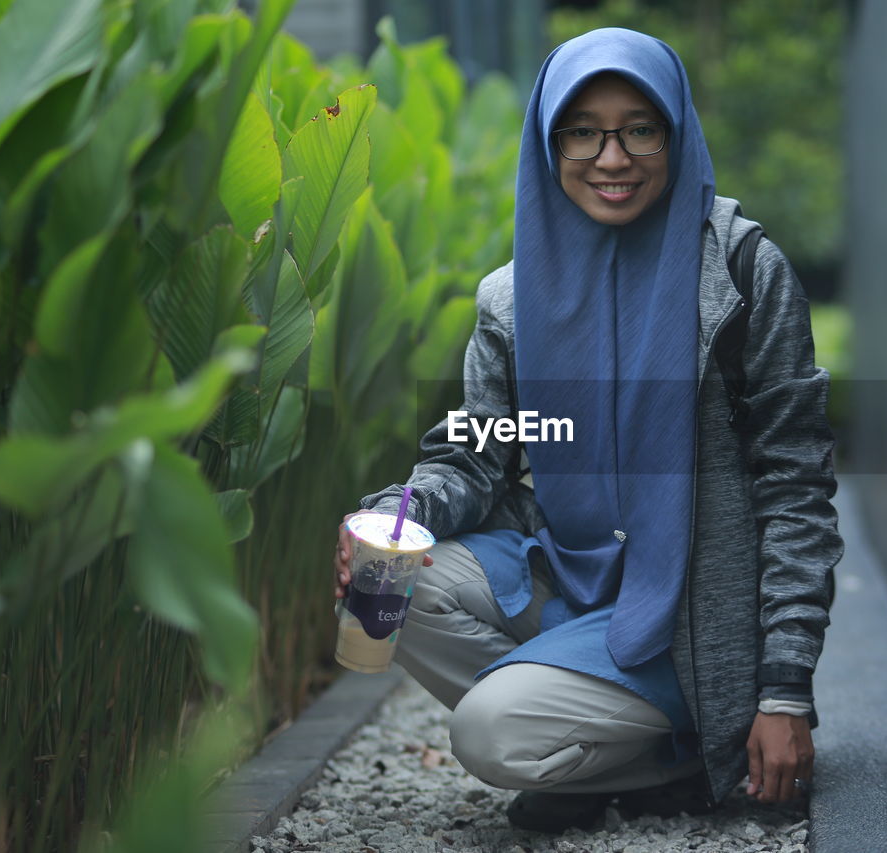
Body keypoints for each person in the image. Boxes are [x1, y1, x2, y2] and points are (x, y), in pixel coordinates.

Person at [333, 27, 842, 834]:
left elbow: (796, 490)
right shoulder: (510, 296)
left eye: (640, 127)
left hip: (690, 617)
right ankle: (608, 742)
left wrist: (784, 691)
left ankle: (682, 743)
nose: (613, 157)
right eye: (583, 130)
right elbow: (476, 454)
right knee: (389, 582)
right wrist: (397, 511)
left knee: (490, 730)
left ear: (676, 130)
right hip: (570, 581)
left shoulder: (740, 275)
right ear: (549, 139)